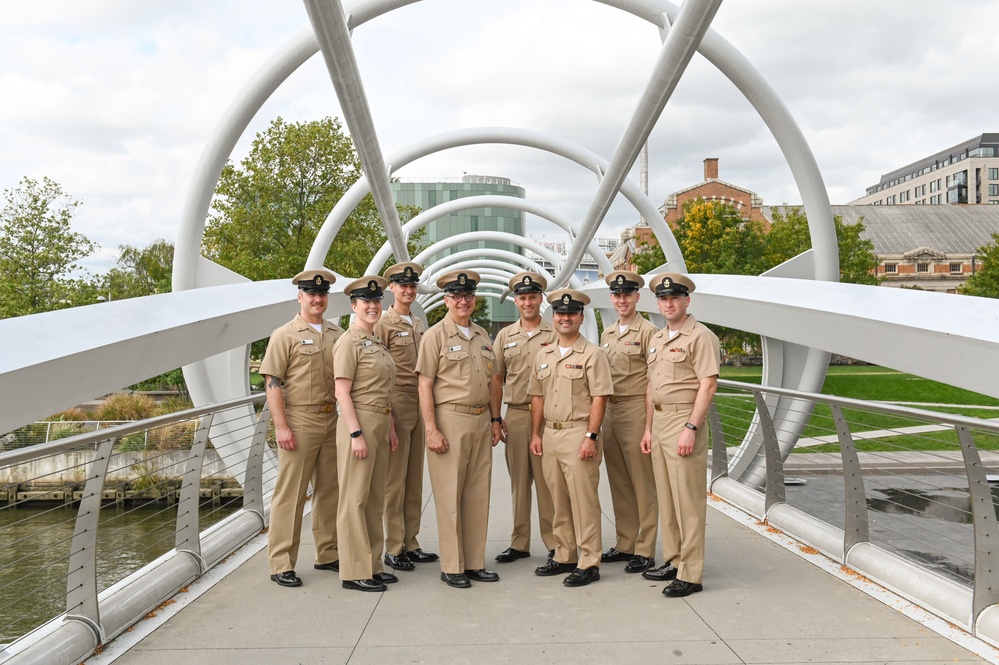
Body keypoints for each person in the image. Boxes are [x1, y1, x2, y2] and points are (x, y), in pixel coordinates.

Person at [416, 269, 504, 589]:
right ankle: (453, 565)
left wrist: (496, 420)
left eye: (468, 296)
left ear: (474, 299)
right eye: (456, 297)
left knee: (478, 494)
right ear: (445, 301)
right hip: (450, 420)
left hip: (481, 420)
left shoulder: (482, 336)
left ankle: (475, 562)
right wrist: (431, 429)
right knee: (450, 495)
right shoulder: (435, 336)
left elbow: (494, 381)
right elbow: (424, 385)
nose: (462, 301)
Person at [259, 269, 343, 587]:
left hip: (331, 420)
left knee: (329, 491)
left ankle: (328, 553)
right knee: (291, 495)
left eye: (322, 294)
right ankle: (281, 562)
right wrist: (281, 426)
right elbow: (272, 383)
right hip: (299, 420)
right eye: (311, 294)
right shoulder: (284, 335)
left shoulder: (337, 335)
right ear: (300, 297)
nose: (317, 298)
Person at [640, 273, 720, 597]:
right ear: (657, 303)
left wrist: (691, 428)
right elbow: (651, 386)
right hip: (659, 424)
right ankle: (673, 559)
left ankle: (691, 573)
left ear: (687, 301)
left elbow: (708, 383)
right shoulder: (658, 339)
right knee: (667, 499)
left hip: (683, 423)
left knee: (688, 501)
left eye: (674, 297)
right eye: (663, 298)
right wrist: (647, 428)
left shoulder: (700, 336)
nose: (668, 303)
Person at [528, 288, 613, 587]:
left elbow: (599, 397)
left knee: (584, 501)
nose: (565, 318)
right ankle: (564, 553)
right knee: (558, 500)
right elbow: (536, 397)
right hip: (550, 433)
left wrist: (591, 436)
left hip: (578, 434)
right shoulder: (544, 354)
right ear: (553, 317)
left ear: (580, 317)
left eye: (571, 313)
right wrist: (535, 434)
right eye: (560, 313)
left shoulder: (592, 354)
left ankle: (589, 561)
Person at [333, 276, 398, 592]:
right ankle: (354, 571)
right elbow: (342, 392)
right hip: (358, 424)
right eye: (366, 302)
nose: (373, 307)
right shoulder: (348, 342)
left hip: (380, 423)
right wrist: (355, 433)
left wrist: (391, 427)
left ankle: (373, 564)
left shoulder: (375, 342)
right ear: (354, 306)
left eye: (377, 302)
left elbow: (383, 391)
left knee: (374, 499)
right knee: (354, 499)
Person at [375, 261, 438, 572]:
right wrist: (387, 417)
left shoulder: (417, 323)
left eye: (412, 286)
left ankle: (411, 542)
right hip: (396, 403)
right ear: (391, 289)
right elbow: (378, 373)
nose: (408, 290)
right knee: (394, 481)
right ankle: (393, 546)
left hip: (418, 402)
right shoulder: (383, 325)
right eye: (402, 286)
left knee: (414, 480)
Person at [491, 271, 557, 564]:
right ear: (515, 301)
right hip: (516, 415)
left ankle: (556, 543)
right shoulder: (505, 336)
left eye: (532, 296)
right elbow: (496, 378)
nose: (527, 302)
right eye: (522, 297)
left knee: (547, 483)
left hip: (547, 417)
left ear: (540, 299)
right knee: (519, 483)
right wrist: (496, 417)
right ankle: (519, 543)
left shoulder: (555, 333)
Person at [599, 271, 659, 574]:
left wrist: (649, 426)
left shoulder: (649, 332)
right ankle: (626, 542)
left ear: (637, 297)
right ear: (612, 298)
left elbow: (652, 381)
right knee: (619, 480)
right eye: (617, 295)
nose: (622, 300)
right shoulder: (607, 335)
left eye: (627, 294)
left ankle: (645, 548)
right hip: (610, 411)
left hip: (635, 409)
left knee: (642, 482)